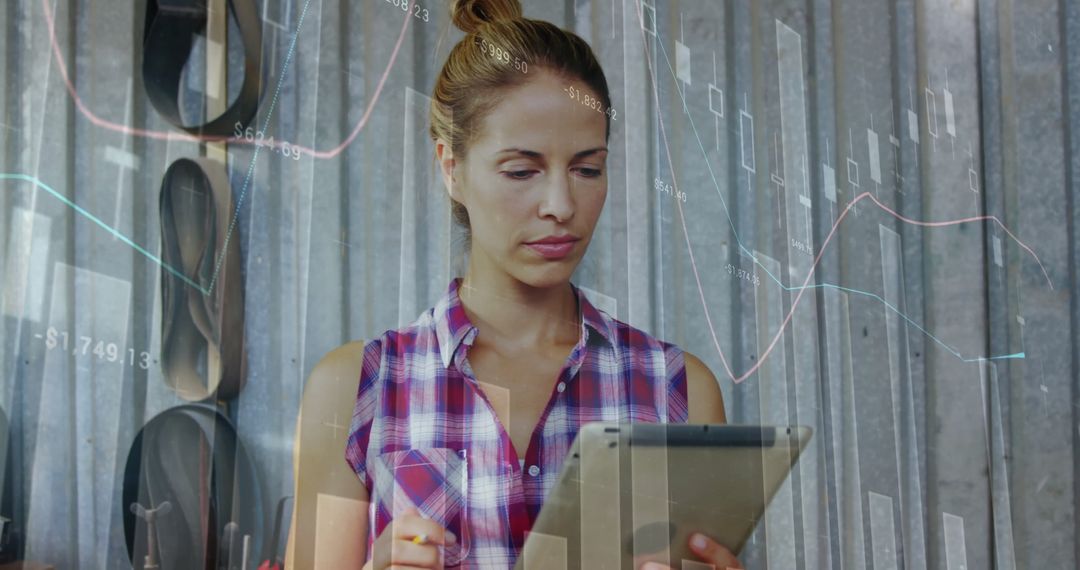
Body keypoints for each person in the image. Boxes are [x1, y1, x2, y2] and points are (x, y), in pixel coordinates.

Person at [285, 0, 744, 568]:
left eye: (587, 169)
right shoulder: (355, 390)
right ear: (451, 167)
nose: (561, 206)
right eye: (522, 171)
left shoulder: (679, 393)